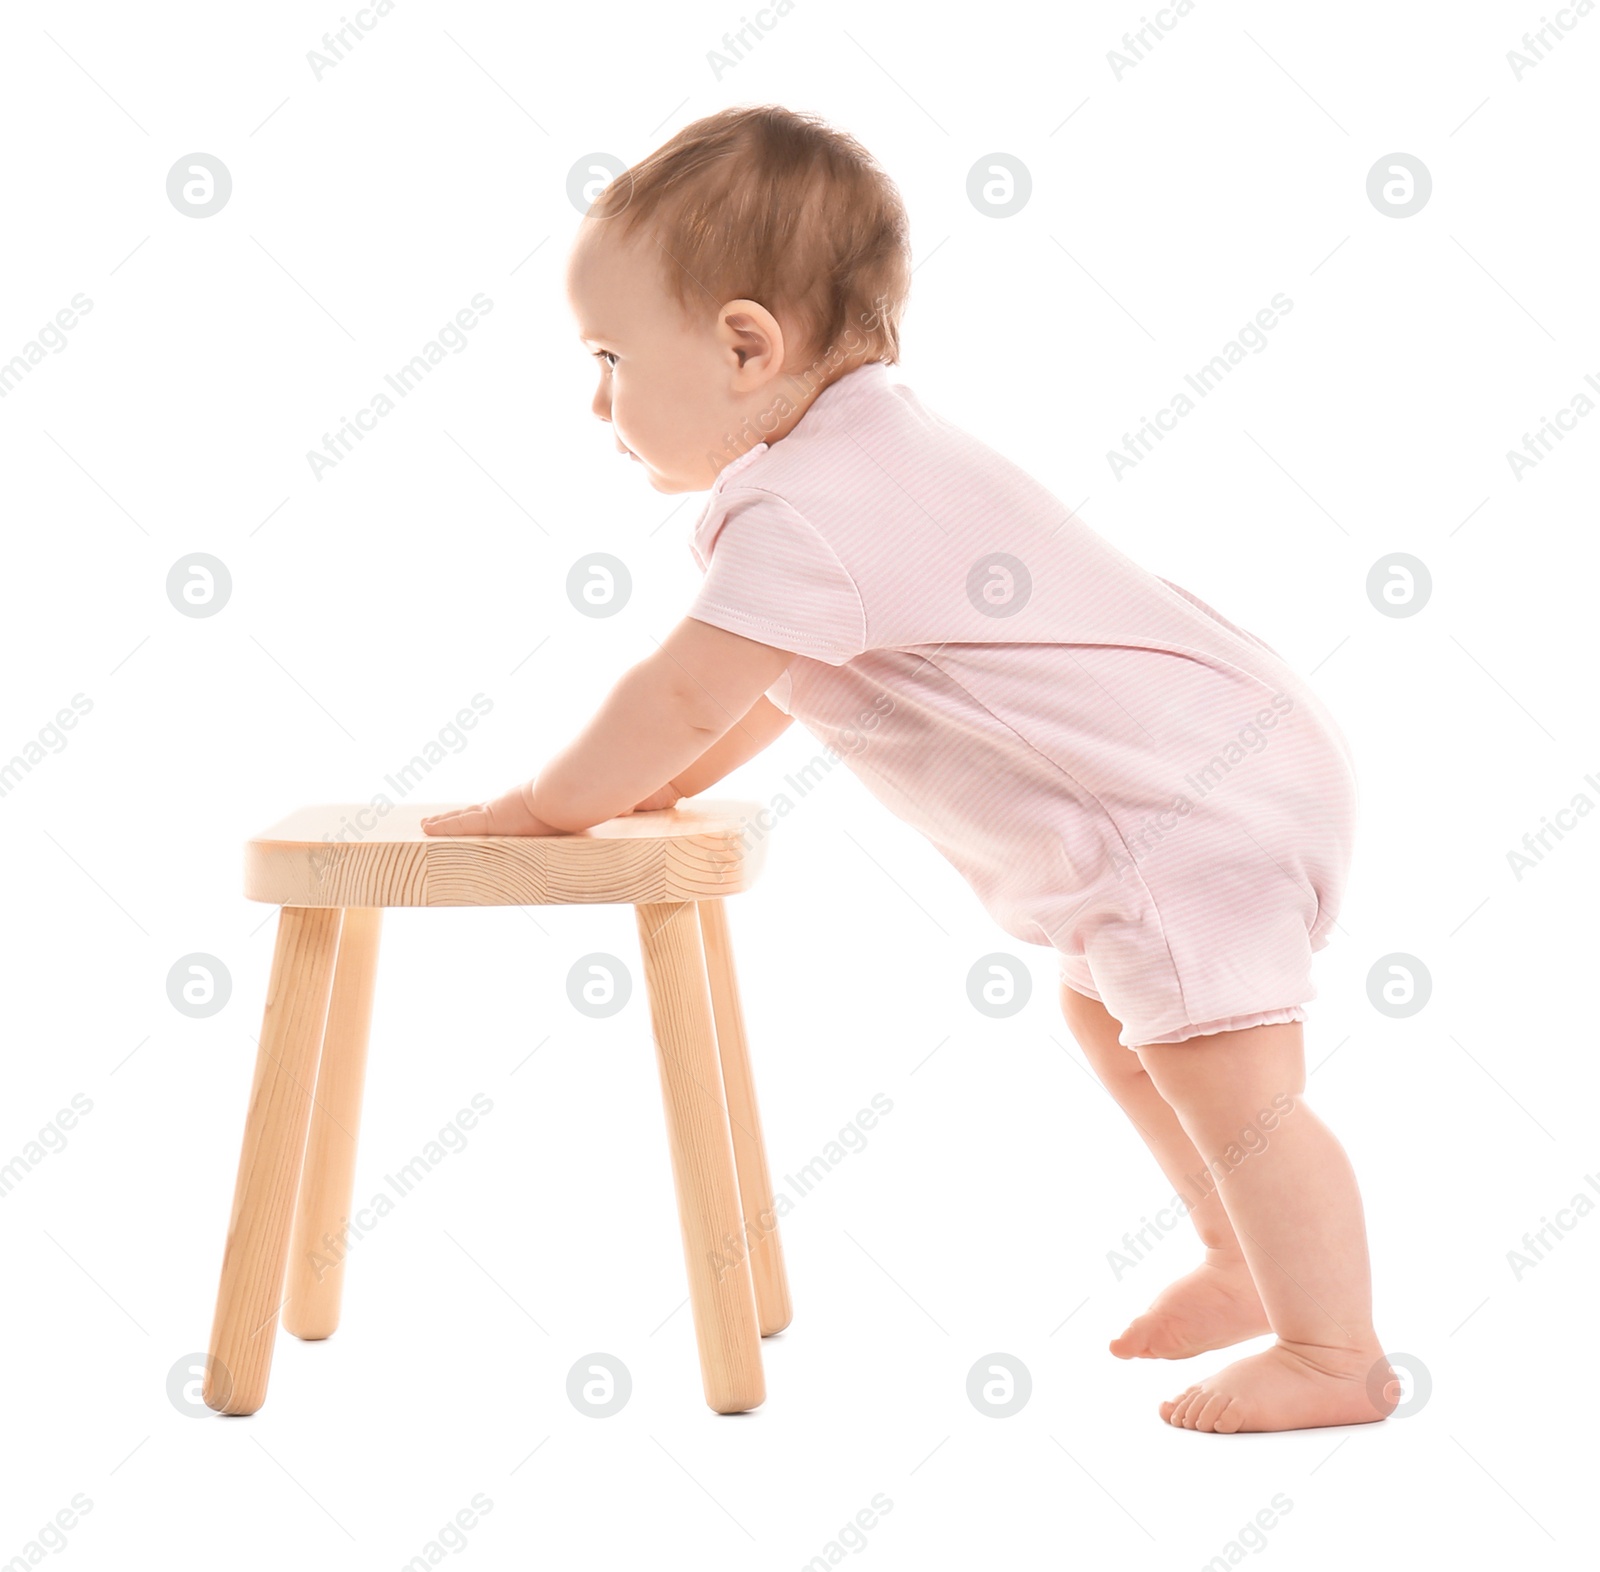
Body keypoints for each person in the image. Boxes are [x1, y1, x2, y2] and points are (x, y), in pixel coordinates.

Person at [421, 104, 1397, 1433]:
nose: (597, 401)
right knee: (1121, 1034)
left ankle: (1336, 1353)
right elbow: (785, 678)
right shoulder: (861, 456)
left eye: (608, 359)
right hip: (1213, 769)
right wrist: (656, 783)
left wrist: (553, 807)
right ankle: (1242, 1264)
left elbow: (687, 688)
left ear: (744, 343)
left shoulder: (806, 506)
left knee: (1242, 1097)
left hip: (1180, 814)